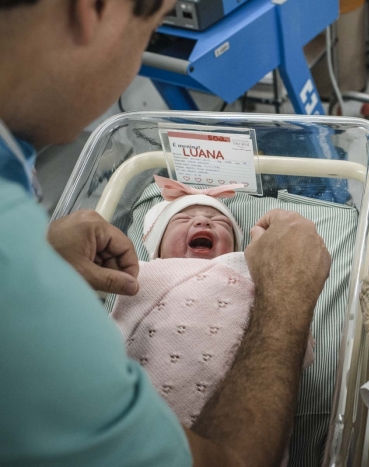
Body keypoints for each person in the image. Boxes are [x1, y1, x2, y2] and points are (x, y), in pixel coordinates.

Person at [0, 1, 331, 466]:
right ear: (93, 9)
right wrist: (288, 298)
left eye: (219, 220)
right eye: (152, 36)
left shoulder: (19, 229)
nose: (204, 223)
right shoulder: (36, 276)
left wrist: (40, 251)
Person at [111, 176, 314, 434]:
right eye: (182, 219)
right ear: (157, 249)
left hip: (242, 405)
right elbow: (114, 331)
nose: (203, 221)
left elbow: (287, 325)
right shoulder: (147, 272)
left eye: (220, 222)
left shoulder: (250, 274)